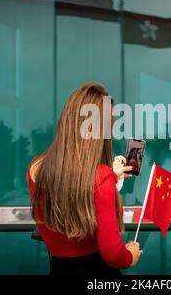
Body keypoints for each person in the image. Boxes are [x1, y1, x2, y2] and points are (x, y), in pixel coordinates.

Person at [27, 83, 142, 275]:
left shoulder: (36, 169)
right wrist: (130, 256)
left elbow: (71, 190)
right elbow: (113, 254)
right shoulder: (101, 178)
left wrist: (111, 176)